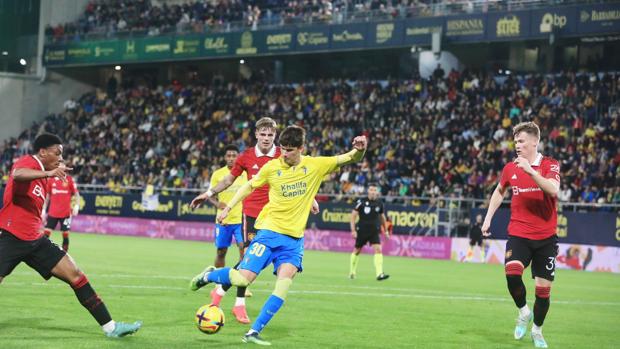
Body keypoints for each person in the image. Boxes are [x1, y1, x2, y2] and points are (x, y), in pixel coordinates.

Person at [190, 126, 367, 345]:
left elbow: (349, 158)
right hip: (268, 233)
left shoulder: (316, 165)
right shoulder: (272, 167)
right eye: (282, 149)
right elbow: (248, 186)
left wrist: (360, 149)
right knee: (242, 279)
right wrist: (227, 208)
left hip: (293, 242)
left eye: (290, 150)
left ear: (301, 148)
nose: (284, 154)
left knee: (283, 287)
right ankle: (208, 276)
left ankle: (253, 332)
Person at [0, 133, 141, 337]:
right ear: (43, 152)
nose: (60, 158)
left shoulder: (45, 179)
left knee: (75, 274)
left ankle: (111, 327)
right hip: (11, 235)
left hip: (35, 239)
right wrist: (49, 174)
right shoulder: (29, 162)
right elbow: (17, 175)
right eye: (57, 153)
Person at [190, 117, 281, 324]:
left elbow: (296, 177)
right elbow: (228, 179)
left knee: (254, 263)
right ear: (256, 134)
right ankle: (239, 305)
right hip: (251, 214)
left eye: (270, 135)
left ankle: (215, 283)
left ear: (275, 136)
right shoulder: (246, 156)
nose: (266, 138)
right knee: (249, 261)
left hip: (275, 216)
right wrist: (208, 193)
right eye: (263, 134)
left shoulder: (282, 154)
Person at [482, 122, 560, 349]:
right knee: (512, 274)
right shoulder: (510, 168)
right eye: (515, 141)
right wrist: (488, 218)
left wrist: (530, 170)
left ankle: (537, 330)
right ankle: (523, 312)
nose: (517, 145)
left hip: (546, 237)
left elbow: (553, 189)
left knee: (543, 292)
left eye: (522, 141)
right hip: (519, 233)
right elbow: (499, 190)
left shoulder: (550, 164)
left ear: (535, 142)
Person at [206, 145, 247, 306]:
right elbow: (210, 195)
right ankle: (218, 282)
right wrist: (217, 204)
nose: (231, 158)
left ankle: (242, 281)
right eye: (228, 155)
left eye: (234, 155)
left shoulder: (244, 173)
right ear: (225, 157)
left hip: (241, 220)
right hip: (223, 220)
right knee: (221, 252)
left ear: (238, 157)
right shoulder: (218, 174)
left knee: (244, 250)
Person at [349, 183, 390, 281]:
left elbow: (382, 217)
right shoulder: (361, 201)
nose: (373, 192)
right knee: (357, 250)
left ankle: (379, 273)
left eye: (374, 190)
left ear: (377, 192)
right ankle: (352, 272)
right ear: (368, 191)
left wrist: (386, 230)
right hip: (362, 230)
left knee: (378, 249)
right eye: (371, 190)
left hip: (374, 231)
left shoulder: (379, 203)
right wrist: (353, 230)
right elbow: (353, 216)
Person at [43, 174, 80, 252]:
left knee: (65, 234)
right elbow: (47, 196)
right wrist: (43, 209)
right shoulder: (51, 180)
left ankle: (65, 254)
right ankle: (42, 251)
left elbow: (77, 194)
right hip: (53, 212)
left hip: (66, 213)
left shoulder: (69, 179)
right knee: (45, 235)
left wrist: (77, 205)